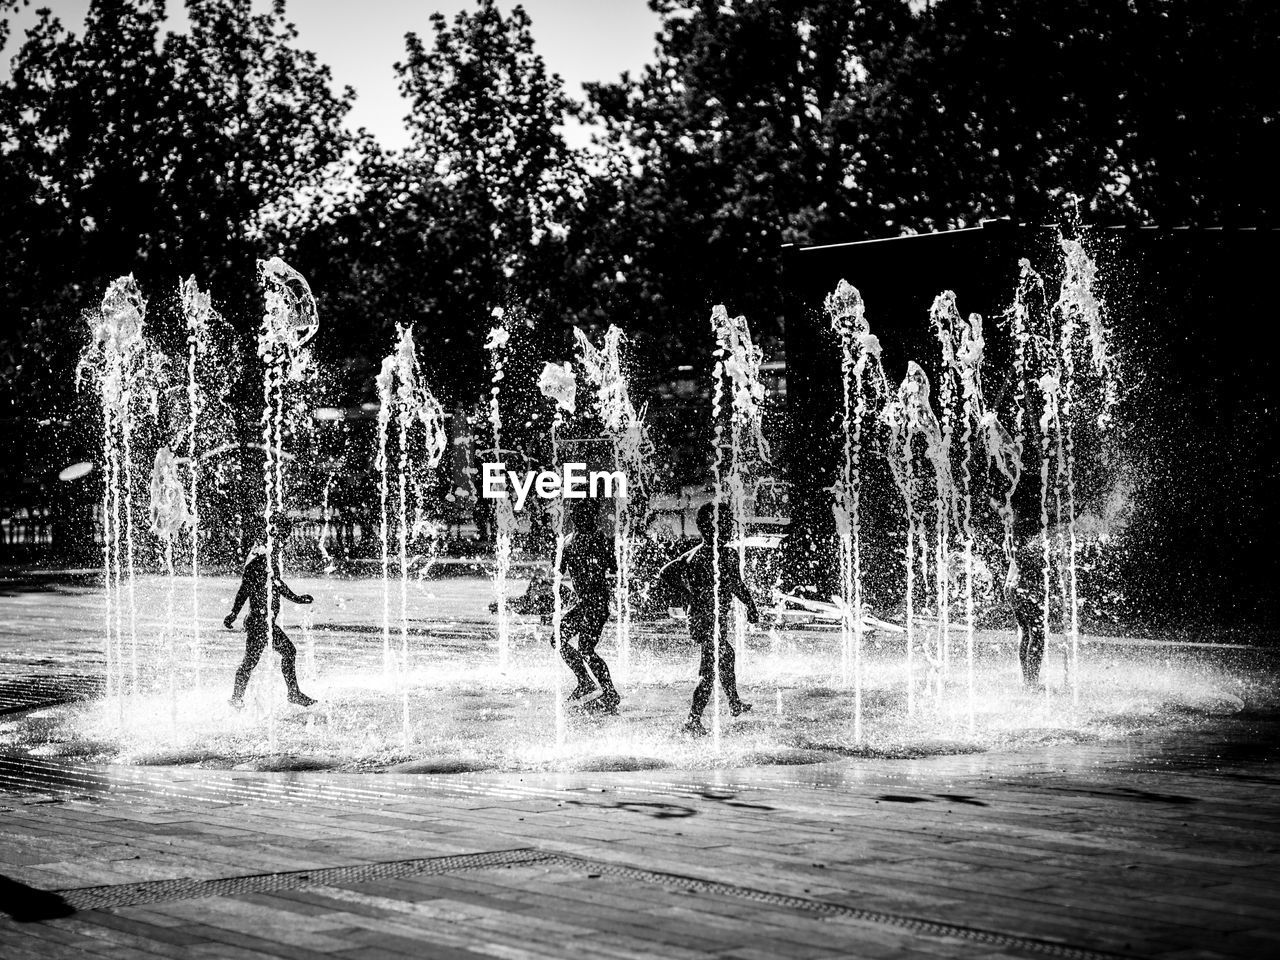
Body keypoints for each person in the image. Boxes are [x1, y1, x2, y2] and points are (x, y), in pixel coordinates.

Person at [654, 502, 758, 736]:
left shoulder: (694, 554)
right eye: (726, 522)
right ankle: (693, 719)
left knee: (723, 657)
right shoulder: (726, 554)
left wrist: (686, 594)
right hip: (708, 619)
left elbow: (665, 572)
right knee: (710, 669)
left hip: (700, 617)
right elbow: (736, 585)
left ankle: (733, 703)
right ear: (714, 526)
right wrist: (750, 605)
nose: (730, 526)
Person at [224, 517, 316, 708]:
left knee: (254, 660)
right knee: (266, 657)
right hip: (259, 622)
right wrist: (233, 613)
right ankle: (290, 694)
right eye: (283, 537)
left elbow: (277, 584)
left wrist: (296, 598)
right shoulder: (258, 560)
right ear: (272, 535)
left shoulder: (269, 559)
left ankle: (238, 698)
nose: (285, 542)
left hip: (265, 621)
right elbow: (244, 589)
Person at [556, 498, 620, 712]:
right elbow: (559, 570)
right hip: (586, 603)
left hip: (597, 603)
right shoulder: (573, 541)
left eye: (584, 515)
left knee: (585, 648)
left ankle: (609, 692)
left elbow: (613, 567)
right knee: (559, 639)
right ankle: (585, 681)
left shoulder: (595, 539)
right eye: (578, 514)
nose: (580, 518)